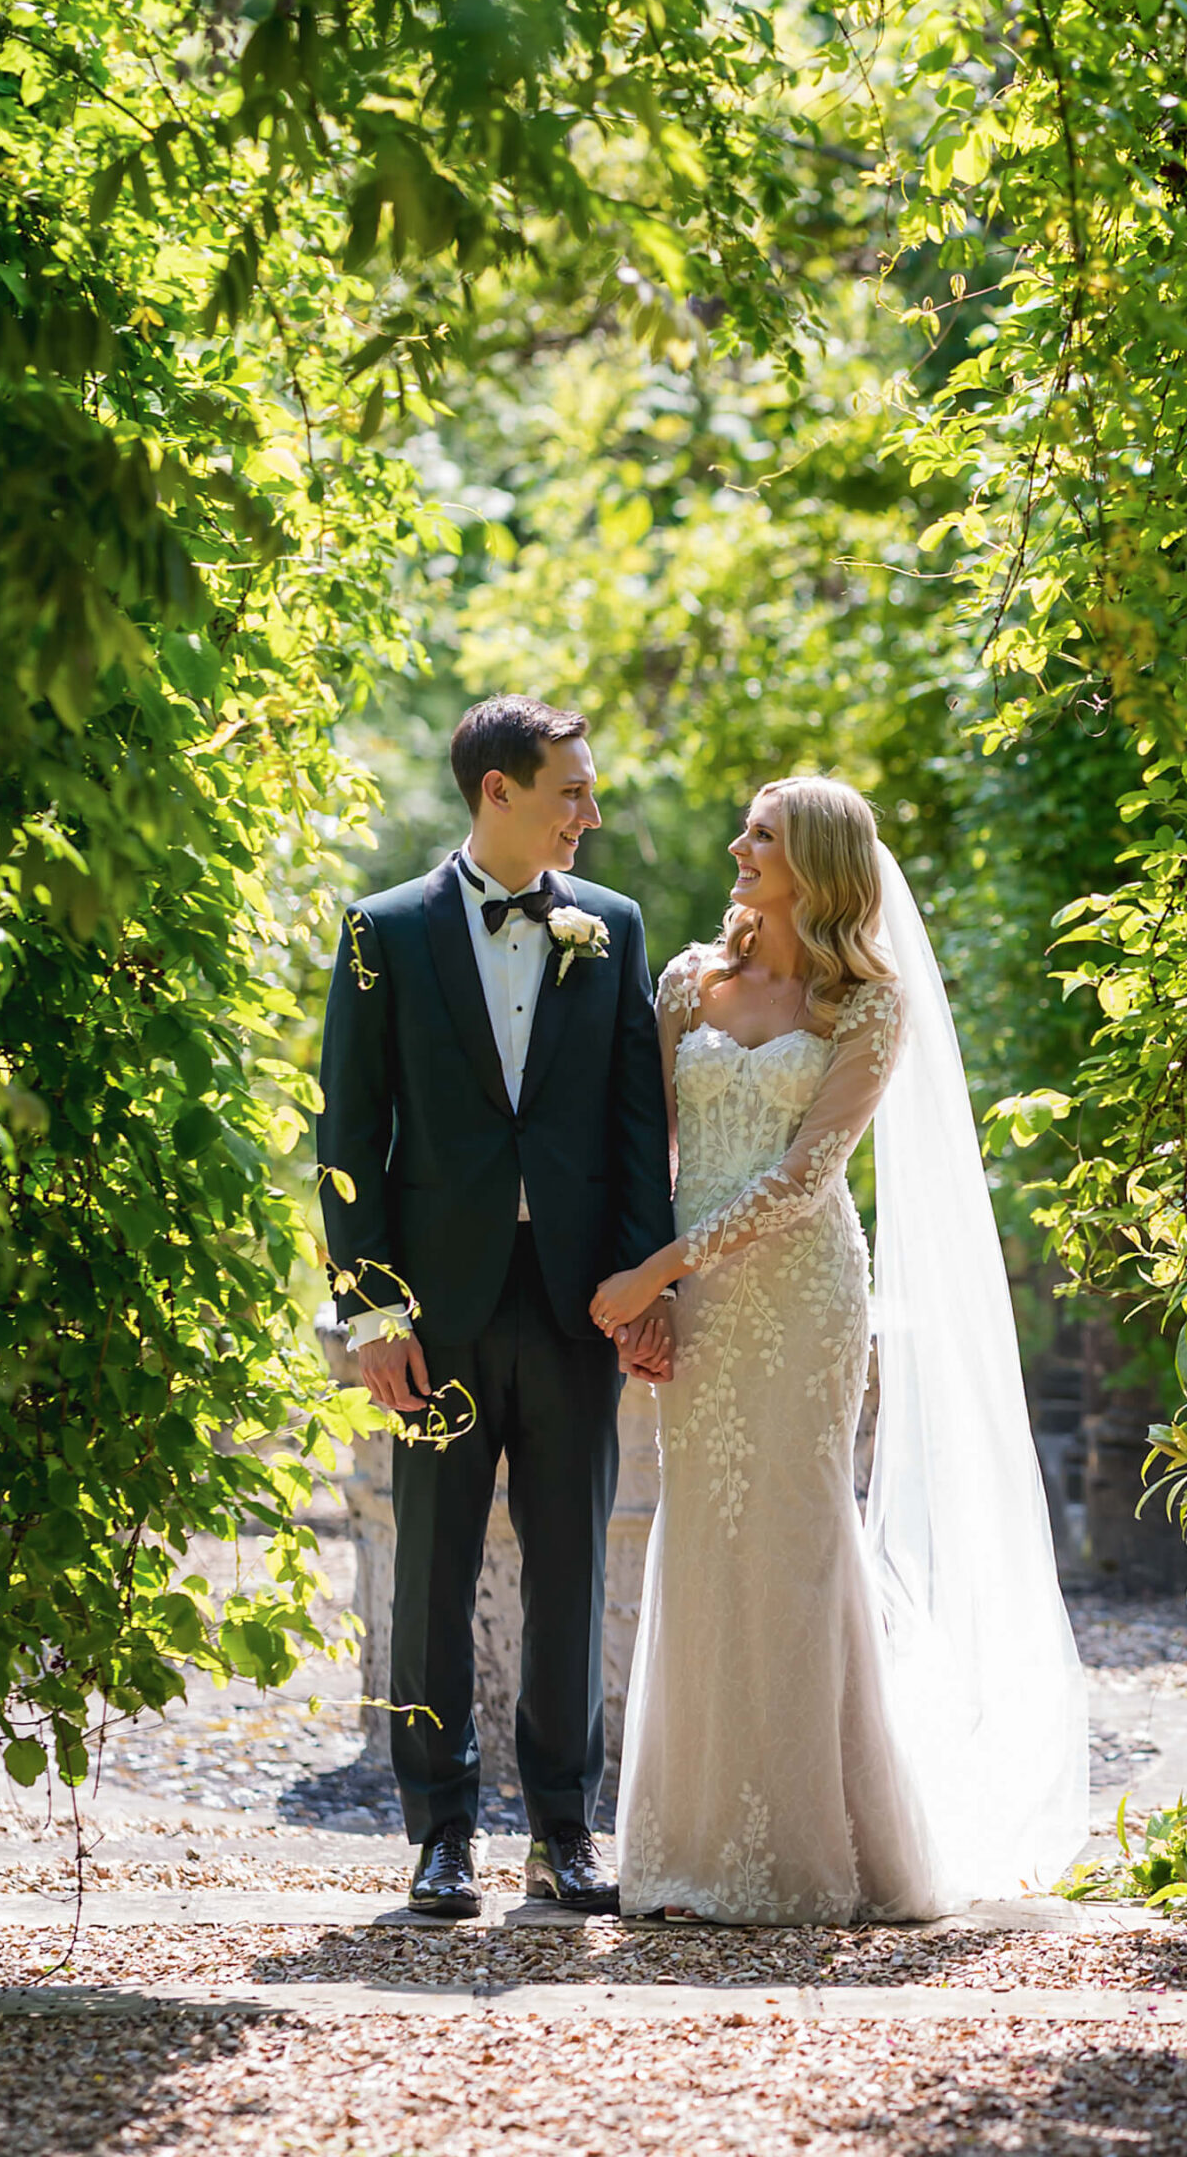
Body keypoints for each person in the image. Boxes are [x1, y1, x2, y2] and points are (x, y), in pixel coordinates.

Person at [594, 776, 1088, 1922]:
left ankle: (817, 1848)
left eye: (760, 834)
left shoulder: (867, 1003)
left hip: (804, 1290)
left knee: (799, 1533)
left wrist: (656, 1271)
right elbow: (644, 1149)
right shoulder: (686, 981)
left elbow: (808, 1174)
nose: (737, 845)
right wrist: (652, 1291)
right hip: (696, 1302)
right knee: (705, 1532)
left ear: (813, 858)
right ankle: (689, 1848)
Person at [317, 695, 676, 1920]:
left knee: (572, 1562)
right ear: (497, 794)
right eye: (570, 789)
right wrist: (373, 1313)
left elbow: (639, 1130)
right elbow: (349, 1136)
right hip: (439, 1307)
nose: (590, 810)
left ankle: (567, 1830)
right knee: (432, 1565)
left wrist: (644, 1290)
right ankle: (441, 1834)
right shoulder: (385, 930)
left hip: (578, 1300)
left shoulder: (613, 929)